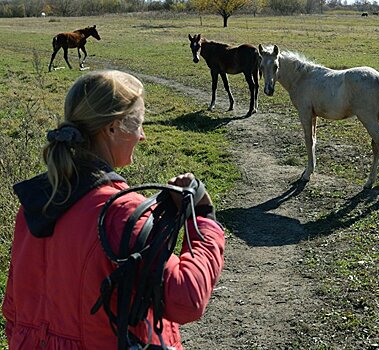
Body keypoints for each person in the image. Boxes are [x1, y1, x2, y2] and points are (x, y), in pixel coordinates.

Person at [2, 70, 225, 349]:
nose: (142, 136)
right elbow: (186, 298)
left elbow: (13, 309)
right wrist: (203, 218)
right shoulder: (120, 214)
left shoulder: (34, 203)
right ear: (112, 127)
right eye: (138, 124)